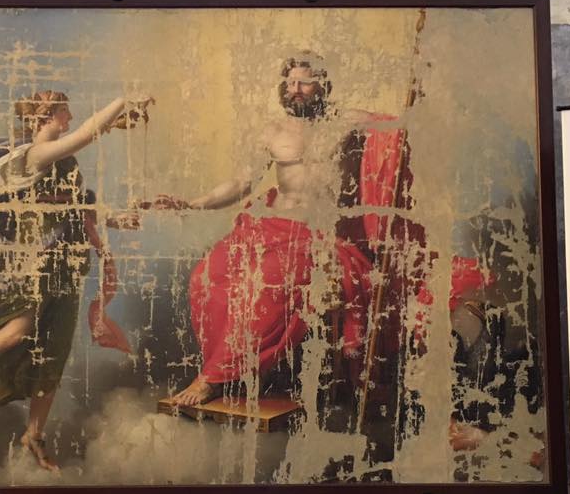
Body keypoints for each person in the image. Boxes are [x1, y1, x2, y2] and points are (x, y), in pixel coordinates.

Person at [152, 53, 423, 415]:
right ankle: (241, 372)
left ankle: (212, 379)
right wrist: (191, 203)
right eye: (290, 82)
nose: (295, 89)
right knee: (207, 276)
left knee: (267, 284)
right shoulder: (273, 131)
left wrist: (419, 87)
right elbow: (240, 183)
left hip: (314, 236)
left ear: (323, 84)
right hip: (267, 228)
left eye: (304, 82)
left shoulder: (348, 122)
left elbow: (402, 130)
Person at [0, 90, 151, 469]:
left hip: (67, 265)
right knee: (17, 332)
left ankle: (33, 434)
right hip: (35, 265)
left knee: (53, 350)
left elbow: (78, 207)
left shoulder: (66, 163)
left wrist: (116, 220)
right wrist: (123, 99)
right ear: (44, 117)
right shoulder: (33, 157)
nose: (68, 119)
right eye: (63, 113)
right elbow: (87, 133)